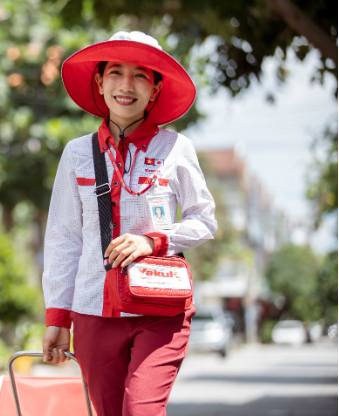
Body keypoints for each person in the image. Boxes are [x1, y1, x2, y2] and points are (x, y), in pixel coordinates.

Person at [41, 31, 218, 416]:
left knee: (140, 410)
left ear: (154, 91)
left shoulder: (176, 148)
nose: (126, 85)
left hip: (161, 308)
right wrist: (58, 316)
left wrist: (154, 241)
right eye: (116, 72)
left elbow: (204, 220)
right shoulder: (76, 154)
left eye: (140, 75)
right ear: (100, 83)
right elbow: (64, 238)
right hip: (92, 309)